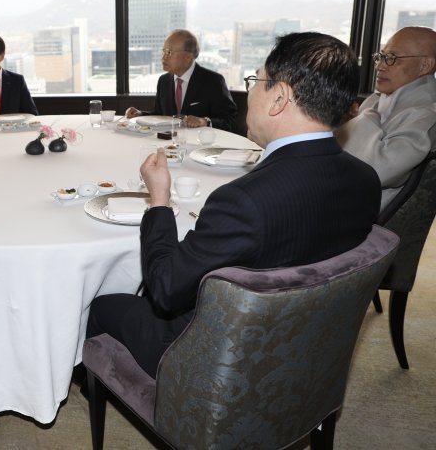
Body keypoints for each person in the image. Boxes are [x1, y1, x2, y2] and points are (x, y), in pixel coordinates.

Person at [87, 32, 381, 377]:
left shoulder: (243, 201)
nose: (251, 91)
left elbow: (165, 289)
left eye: (256, 81)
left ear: (279, 98)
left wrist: (159, 203)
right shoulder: (366, 180)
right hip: (307, 347)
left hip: (212, 356)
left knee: (96, 306)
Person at [336, 26, 436, 212]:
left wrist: (367, 117)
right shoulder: (381, 100)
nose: (379, 66)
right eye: (380, 57)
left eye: (392, 58)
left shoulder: (426, 114)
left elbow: (379, 170)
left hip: (353, 216)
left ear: (425, 66)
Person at [125, 29, 237, 131]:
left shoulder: (213, 81)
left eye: (169, 52)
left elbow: (230, 121)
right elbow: (160, 115)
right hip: (168, 145)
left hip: (201, 146)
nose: (163, 57)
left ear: (188, 57)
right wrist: (140, 114)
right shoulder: (163, 81)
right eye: (163, 51)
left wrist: (204, 121)